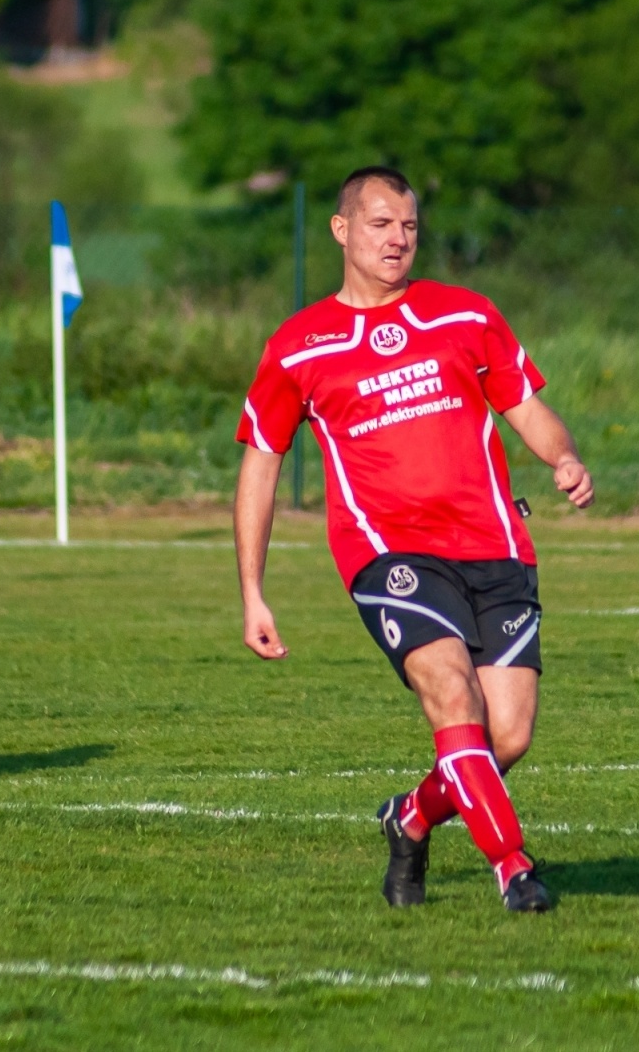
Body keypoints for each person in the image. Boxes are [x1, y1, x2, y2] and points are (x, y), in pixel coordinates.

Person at [234, 167, 595, 912]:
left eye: (408, 226)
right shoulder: (298, 346)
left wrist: (561, 456)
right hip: (389, 556)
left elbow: (524, 408)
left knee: (509, 737)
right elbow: (261, 468)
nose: (397, 239)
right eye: (379, 224)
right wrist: (252, 592)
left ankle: (410, 818)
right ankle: (513, 868)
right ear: (342, 230)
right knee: (452, 696)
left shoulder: (464, 316)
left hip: (496, 547)